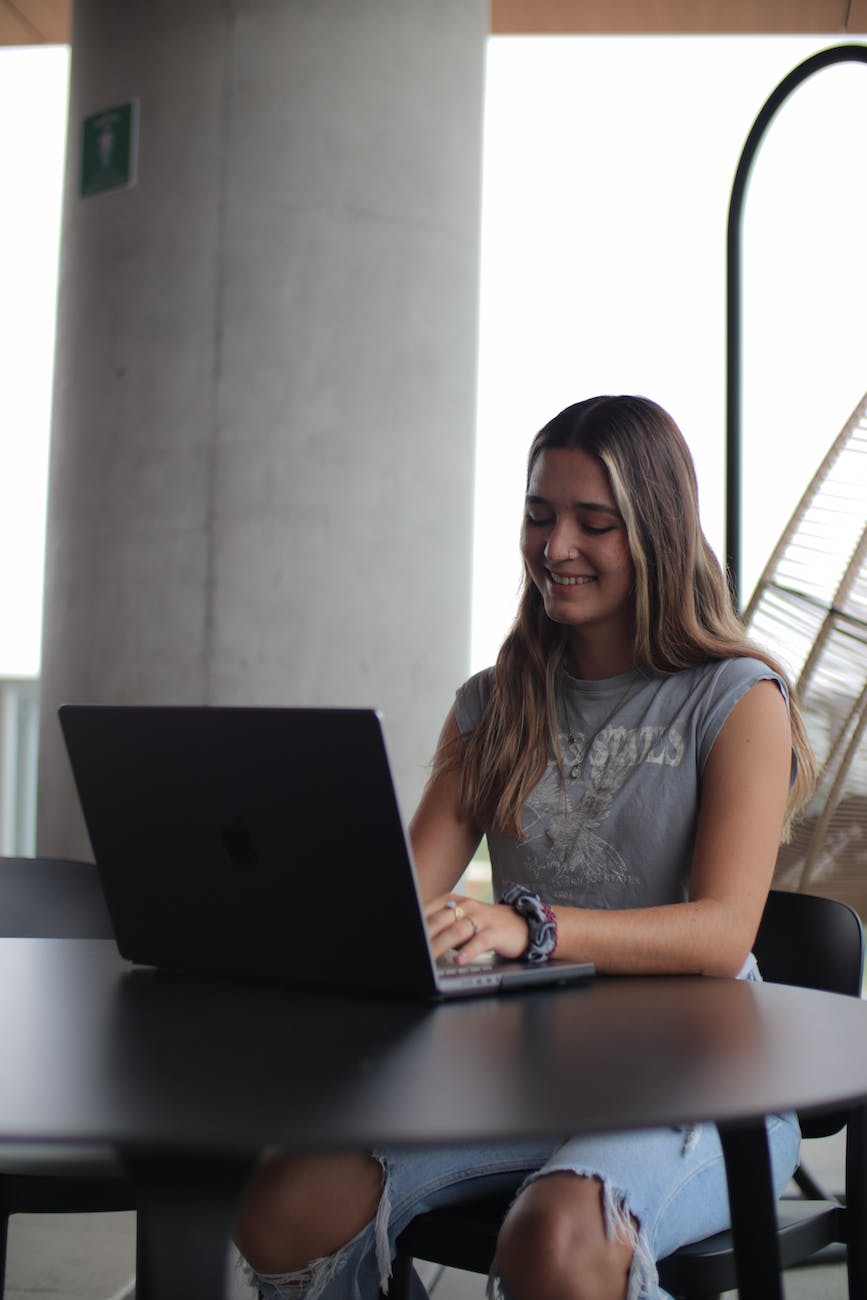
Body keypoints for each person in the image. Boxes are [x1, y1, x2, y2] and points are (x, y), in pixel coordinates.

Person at [235, 395, 815, 1300]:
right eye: (539, 515)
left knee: (554, 1239)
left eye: (594, 523)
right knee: (282, 1199)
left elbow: (722, 934)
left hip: (705, 1076)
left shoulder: (737, 698)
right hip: (524, 1074)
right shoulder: (492, 704)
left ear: (657, 532)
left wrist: (525, 925)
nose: (555, 548)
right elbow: (398, 907)